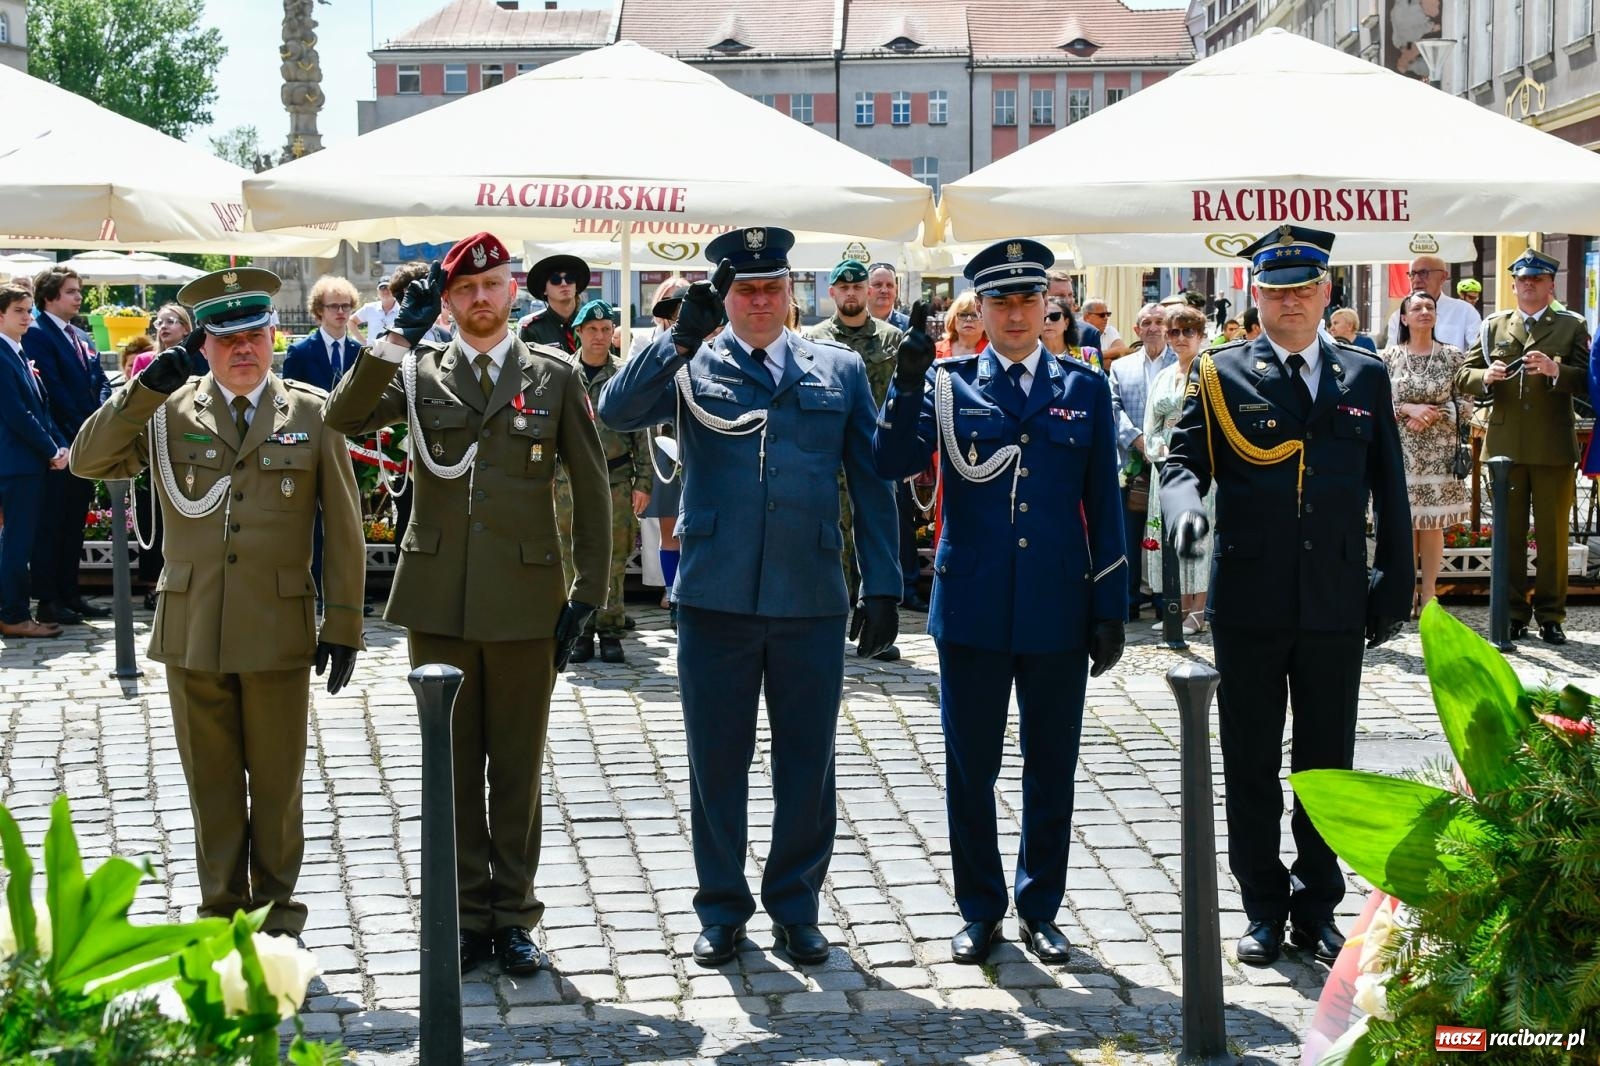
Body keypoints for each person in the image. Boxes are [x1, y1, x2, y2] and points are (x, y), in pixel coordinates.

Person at [598, 226, 899, 969]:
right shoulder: (693, 361)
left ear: (791, 292)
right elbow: (614, 410)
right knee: (716, 761)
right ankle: (722, 908)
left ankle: (796, 906)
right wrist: (674, 341)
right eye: (744, 290)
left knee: (808, 761)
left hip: (809, 591)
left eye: (771, 288)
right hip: (717, 593)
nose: (759, 301)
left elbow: (870, 478)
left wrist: (885, 582)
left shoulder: (837, 368)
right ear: (723, 297)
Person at [324, 232, 611, 975]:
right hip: (441, 602)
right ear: (447, 303)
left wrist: (590, 592)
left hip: (525, 600)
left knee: (515, 771)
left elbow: (591, 487)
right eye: (464, 292)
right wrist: (394, 338)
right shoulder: (418, 372)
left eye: (491, 287)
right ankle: (463, 915)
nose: (480, 301)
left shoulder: (550, 375)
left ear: (512, 289)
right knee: (450, 770)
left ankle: (513, 917)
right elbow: (343, 419)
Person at [71, 267, 365, 941]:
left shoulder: (312, 412)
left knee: (279, 785)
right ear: (201, 345)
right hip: (195, 625)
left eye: (256, 334)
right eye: (226, 338)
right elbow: (89, 461)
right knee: (210, 785)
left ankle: (279, 916)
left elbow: (345, 526)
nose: (244, 350)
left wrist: (344, 622)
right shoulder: (169, 412)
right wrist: (143, 389)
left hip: (278, 626)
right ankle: (220, 914)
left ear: (274, 336)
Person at [1159, 225, 1412, 967]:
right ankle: (1263, 908)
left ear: (1327, 292)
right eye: (1276, 291)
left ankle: (1318, 907)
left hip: (1335, 599)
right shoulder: (1221, 372)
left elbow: (1387, 489)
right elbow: (1180, 466)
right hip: (1251, 599)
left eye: (1303, 289)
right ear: (1256, 297)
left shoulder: (1364, 376)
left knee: (1327, 763)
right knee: (1249, 759)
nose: (1291, 303)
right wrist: (1186, 516)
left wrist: (1393, 584)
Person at [873, 238, 1126, 966]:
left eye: (1027, 300)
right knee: (970, 766)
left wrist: (1109, 605)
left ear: (1047, 305)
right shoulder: (947, 384)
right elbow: (891, 464)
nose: (1016, 315)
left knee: (1052, 765)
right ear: (978, 310)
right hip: (975, 606)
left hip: (1055, 605)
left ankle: (1040, 907)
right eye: (1000, 301)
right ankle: (979, 907)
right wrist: (906, 384)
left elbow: (1102, 504)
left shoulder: (1083, 389)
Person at [1455, 249, 1590, 644]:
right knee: (1508, 535)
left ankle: (1551, 615)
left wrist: (1556, 371)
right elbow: (1464, 374)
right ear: (1513, 286)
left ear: (1551, 286)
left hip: (1552, 445)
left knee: (1553, 538)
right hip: (1504, 448)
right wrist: (1487, 376)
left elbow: (1588, 381)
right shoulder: (1494, 326)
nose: (1528, 285)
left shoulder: (1570, 325)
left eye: (1536, 280)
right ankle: (1513, 613)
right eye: (1522, 280)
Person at [806, 259, 919, 627]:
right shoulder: (813, 340)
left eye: (858, 287)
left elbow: (907, 401)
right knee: (832, 539)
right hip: (828, 456)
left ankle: (877, 616)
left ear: (868, 292)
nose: (851, 293)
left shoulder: (892, 338)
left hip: (876, 453)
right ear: (832, 293)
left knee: (880, 534)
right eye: (844, 287)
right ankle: (836, 618)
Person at [557, 299, 650, 665]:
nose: (599, 336)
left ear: (614, 334)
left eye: (605, 329)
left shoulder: (625, 376)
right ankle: (577, 632)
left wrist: (645, 481)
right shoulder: (562, 374)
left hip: (616, 477)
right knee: (570, 555)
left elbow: (641, 432)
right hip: (570, 479)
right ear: (578, 332)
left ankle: (610, 630)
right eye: (592, 329)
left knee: (614, 556)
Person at [25, 266, 111, 625]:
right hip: (61, 444)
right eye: (71, 291)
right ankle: (49, 598)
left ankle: (71, 594)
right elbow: (54, 392)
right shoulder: (37, 333)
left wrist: (106, 413)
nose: (78, 297)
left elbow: (101, 379)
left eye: (78, 291)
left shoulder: (81, 334)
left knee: (75, 522)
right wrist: (85, 429)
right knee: (53, 524)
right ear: (49, 297)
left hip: (85, 442)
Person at [1379, 291, 1469, 614]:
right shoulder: (1387, 357)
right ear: (1403, 318)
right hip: (1400, 451)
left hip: (1439, 453)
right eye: (1416, 308)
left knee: (1431, 526)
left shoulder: (1452, 356)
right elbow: (1377, 403)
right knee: (1405, 524)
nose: (1424, 311)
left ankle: (1429, 593)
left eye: (1429, 307)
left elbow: (1465, 403)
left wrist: (1432, 414)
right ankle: (1405, 591)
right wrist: (1407, 409)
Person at [0, 284, 69, 638]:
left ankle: (11, 610)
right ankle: (13, 616)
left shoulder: (16, 351)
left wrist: (58, 444)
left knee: (15, 541)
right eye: (20, 311)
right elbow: (16, 413)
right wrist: (50, 449)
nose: (29, 317)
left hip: (25, 462)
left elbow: (40, 409)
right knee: (16, 542)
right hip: (16, 464)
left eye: (29, 310)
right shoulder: (1, 354)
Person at [1141, 304, 1213, 635]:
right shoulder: (1164, 376)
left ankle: (1199, 609)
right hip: (1166, 466)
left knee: (1197, 536)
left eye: (1188, 331)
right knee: (1170, 535)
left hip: (1201, 468)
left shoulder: (1211, 374)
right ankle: (1179, 606)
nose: (1180, 338)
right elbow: (1150, 424)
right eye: (1174, 332)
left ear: (1201, 335)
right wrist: (1159, 453)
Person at [1107, 304, 1175, 618]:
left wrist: (1161, 444)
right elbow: (1113, 407)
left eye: (1159, 321)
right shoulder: (1122, 367)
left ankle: (1166, 599)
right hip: (1131, 464)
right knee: (1130, 535)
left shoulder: (1183, 362)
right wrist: (1136, 438)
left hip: (1172, 462)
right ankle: (1131, 600)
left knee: (1167, 535)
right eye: (1146, 322)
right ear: (1136, 330)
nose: (1152, 327)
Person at [635, 279, 691, 605]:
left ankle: (693, 590)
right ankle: (671, 590)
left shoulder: (711, 341)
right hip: (665, 442)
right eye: (672, 304)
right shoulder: (650, 341)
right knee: (670, 526)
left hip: (701, 442)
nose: (680, 312)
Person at [283, 276, 363, 392]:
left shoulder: (359, 352)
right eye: (334, 306)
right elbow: (289, 398)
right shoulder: (299, 352)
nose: (340, 311)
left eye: (345, 306)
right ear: (320, 310)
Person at [1384, 255, 1480, 351]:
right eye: (1412, 274)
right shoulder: (1398, 316)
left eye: (1423, 273)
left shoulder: (1465, 311)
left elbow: (1478, 351)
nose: (1416, 280)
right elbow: (1390, 356)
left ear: (1443, 277)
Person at [518, 254, 590, 353]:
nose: (564, 284)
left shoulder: (592, 323)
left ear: (576, 286)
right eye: (555, 280)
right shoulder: (532, 329)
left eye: (570, 278)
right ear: (544, 290)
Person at [937, 290, 986, 359]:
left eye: (975, 315)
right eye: (963, 314)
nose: (969, 319)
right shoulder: (935, 350)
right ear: (953, 319)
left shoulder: (996, 352)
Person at [350, 276, 398, 346]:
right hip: (372, 353)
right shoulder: (369, 308)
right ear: (378, 291)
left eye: (389, 287)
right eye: (382, 288)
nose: (385, 291)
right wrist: (363, 341)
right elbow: (351, 321)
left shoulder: (402, 310)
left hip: (395, 353)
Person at [866, 262, 910, 330]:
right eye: (878, 285)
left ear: (896, 290)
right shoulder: (852, 323)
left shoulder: (909, 325)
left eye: (889, 285)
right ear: (866, 289)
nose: (884, 290)